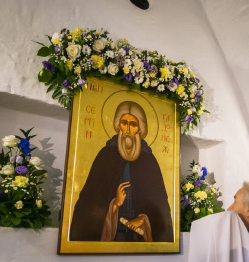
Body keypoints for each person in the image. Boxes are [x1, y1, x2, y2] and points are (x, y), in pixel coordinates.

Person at [69, 101, 173, 242]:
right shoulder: (105, 156)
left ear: (140, 129)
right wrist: (115, 204)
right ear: (118, 125)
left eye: (133, 125)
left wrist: (144, 219)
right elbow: (89, 202)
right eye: (124, 123)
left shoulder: (149, 161)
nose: (128, 130)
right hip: (113, 234)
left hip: (139, 237)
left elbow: (159, 206)